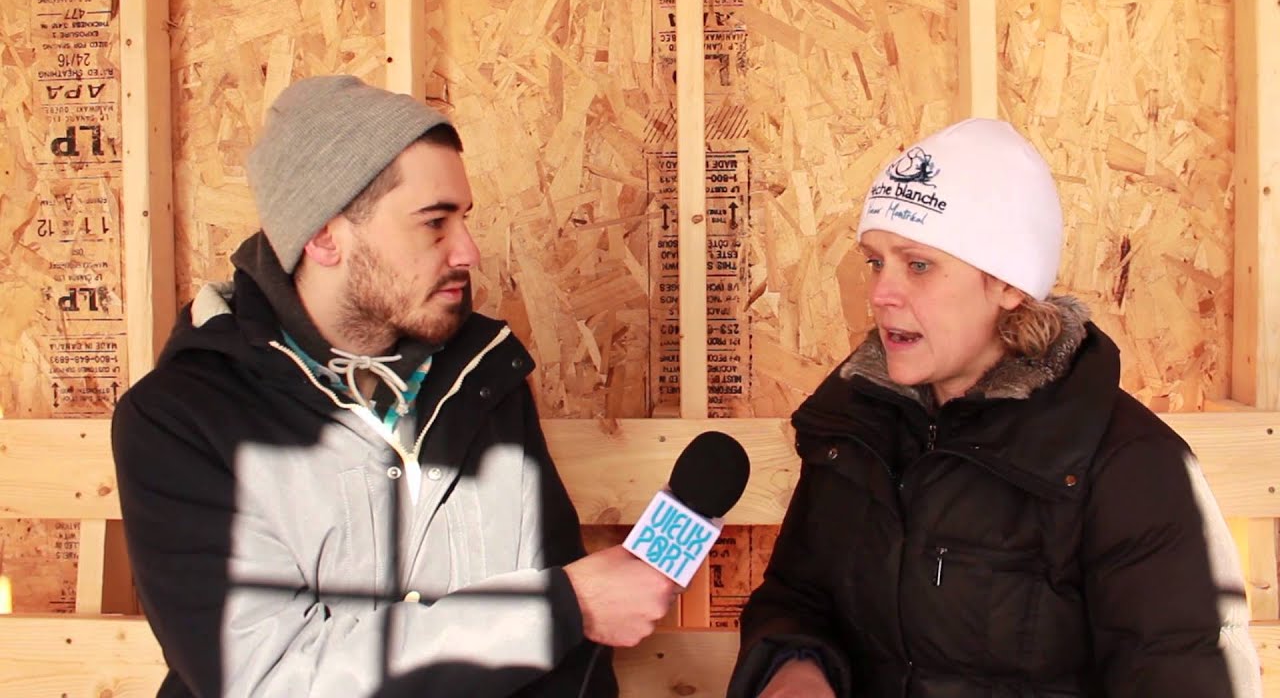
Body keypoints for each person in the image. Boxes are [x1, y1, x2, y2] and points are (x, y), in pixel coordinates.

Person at [111, 75, 678, 698]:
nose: (469, 252)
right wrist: (556, 611)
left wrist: (567, 614)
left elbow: (570, 668)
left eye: (464, 219)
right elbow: (270, 680)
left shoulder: (484, 376)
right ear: (325, 236)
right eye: (435, 223)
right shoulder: (181, 420)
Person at [728, 118, 1262, 698]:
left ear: (1008, 285)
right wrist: (795, 670)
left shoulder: (1134, 466)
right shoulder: (854, 427)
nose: (881, 292)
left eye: (919, 265)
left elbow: (1186, 675)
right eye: (876, 262)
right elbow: (796, 597)